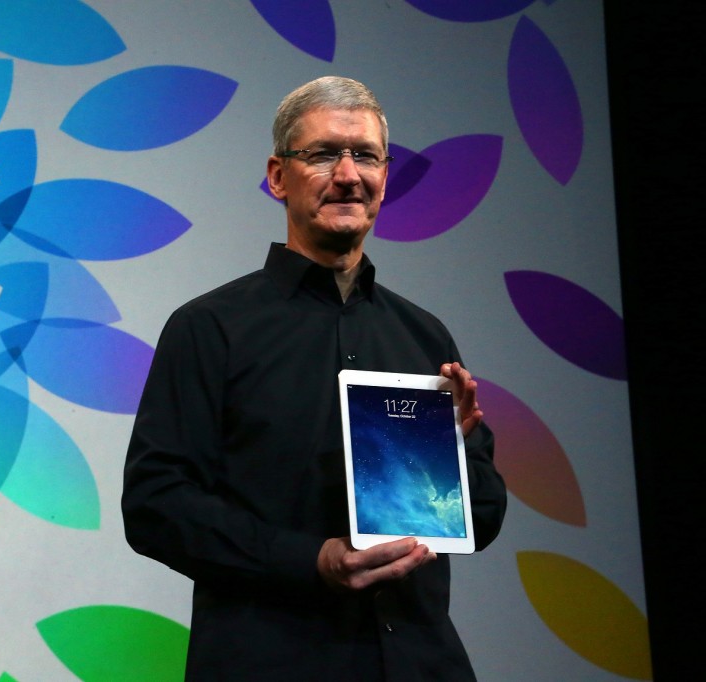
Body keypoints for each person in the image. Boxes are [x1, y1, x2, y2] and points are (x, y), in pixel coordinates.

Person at [121, 76, 507, 681]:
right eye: (324, 154)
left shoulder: (425, 337)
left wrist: (449, 462)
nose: (349, 174)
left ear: (385, 177)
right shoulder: (210, 328)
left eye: (367, 157)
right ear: (278, 176)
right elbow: (155, 506)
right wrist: (313, 560)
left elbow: (483, 515)